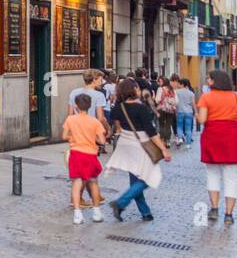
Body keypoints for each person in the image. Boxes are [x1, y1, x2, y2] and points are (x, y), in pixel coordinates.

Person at [107, 77, 171, 221]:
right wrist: (163, 149)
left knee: (135, 180)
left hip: (125, 144)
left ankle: (145, 212)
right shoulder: (141, 108)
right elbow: (151, 132)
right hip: (140, 145)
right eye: (137, 88)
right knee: (149, 177)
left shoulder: (118, 108)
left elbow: (115, 123)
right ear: (133, 90)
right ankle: (121, 202)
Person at [196, 69, 237, 226]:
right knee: (232, 178)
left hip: (213, 138)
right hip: (233, 139)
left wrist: (197, 114)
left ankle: (214, 209)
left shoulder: (206, 97)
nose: (207, 81)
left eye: (209, 78)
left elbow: (202, 120)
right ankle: (229, 215)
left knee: (212, 174)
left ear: (214, 81)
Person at [61, 93, 106, 224]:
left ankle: (77, 214)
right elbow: (102, 141)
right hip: (90, 155)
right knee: (93, 182)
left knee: (76, 183)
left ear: (76, 105)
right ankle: (96, 212)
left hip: (76, 154)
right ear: (90, 106)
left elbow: (64, 136)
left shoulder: (70, 119)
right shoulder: (95, 122)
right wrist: (92, 137)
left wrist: (73, 137)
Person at [66, 69, 107, 202]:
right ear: (94, 79)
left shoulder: (74, 93)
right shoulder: (99, 95)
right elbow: (100, 117)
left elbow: (70, 114)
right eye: (100, 79)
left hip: (76, 133)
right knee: (88, 167)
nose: (102, 81)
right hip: (91, 134)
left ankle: (96, 193)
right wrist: (107, 129)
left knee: (89, 166)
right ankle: (77, 198)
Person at [172, 75, 196, 147]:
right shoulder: (191, 93)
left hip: (180, 111)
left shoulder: (176, 92)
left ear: (182, 84)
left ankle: (180, 138)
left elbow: (174, 101)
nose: (178, 85)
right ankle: (188, 144)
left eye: (179, 84)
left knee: (179, 126)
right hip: (189, 112)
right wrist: (196, 111)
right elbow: (193, 104)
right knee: (188, 128)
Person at [155, 75, 178, 146]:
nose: (159, 83)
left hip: (161, 108)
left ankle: (162, 140)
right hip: (170, 109)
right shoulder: (172, 89)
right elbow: (176, 101)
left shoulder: (160, 89)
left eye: (160, 81)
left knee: (161, 124)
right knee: (168, 125)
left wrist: (160, 101)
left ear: (163, 82)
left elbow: (157, 100)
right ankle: (168, 141)